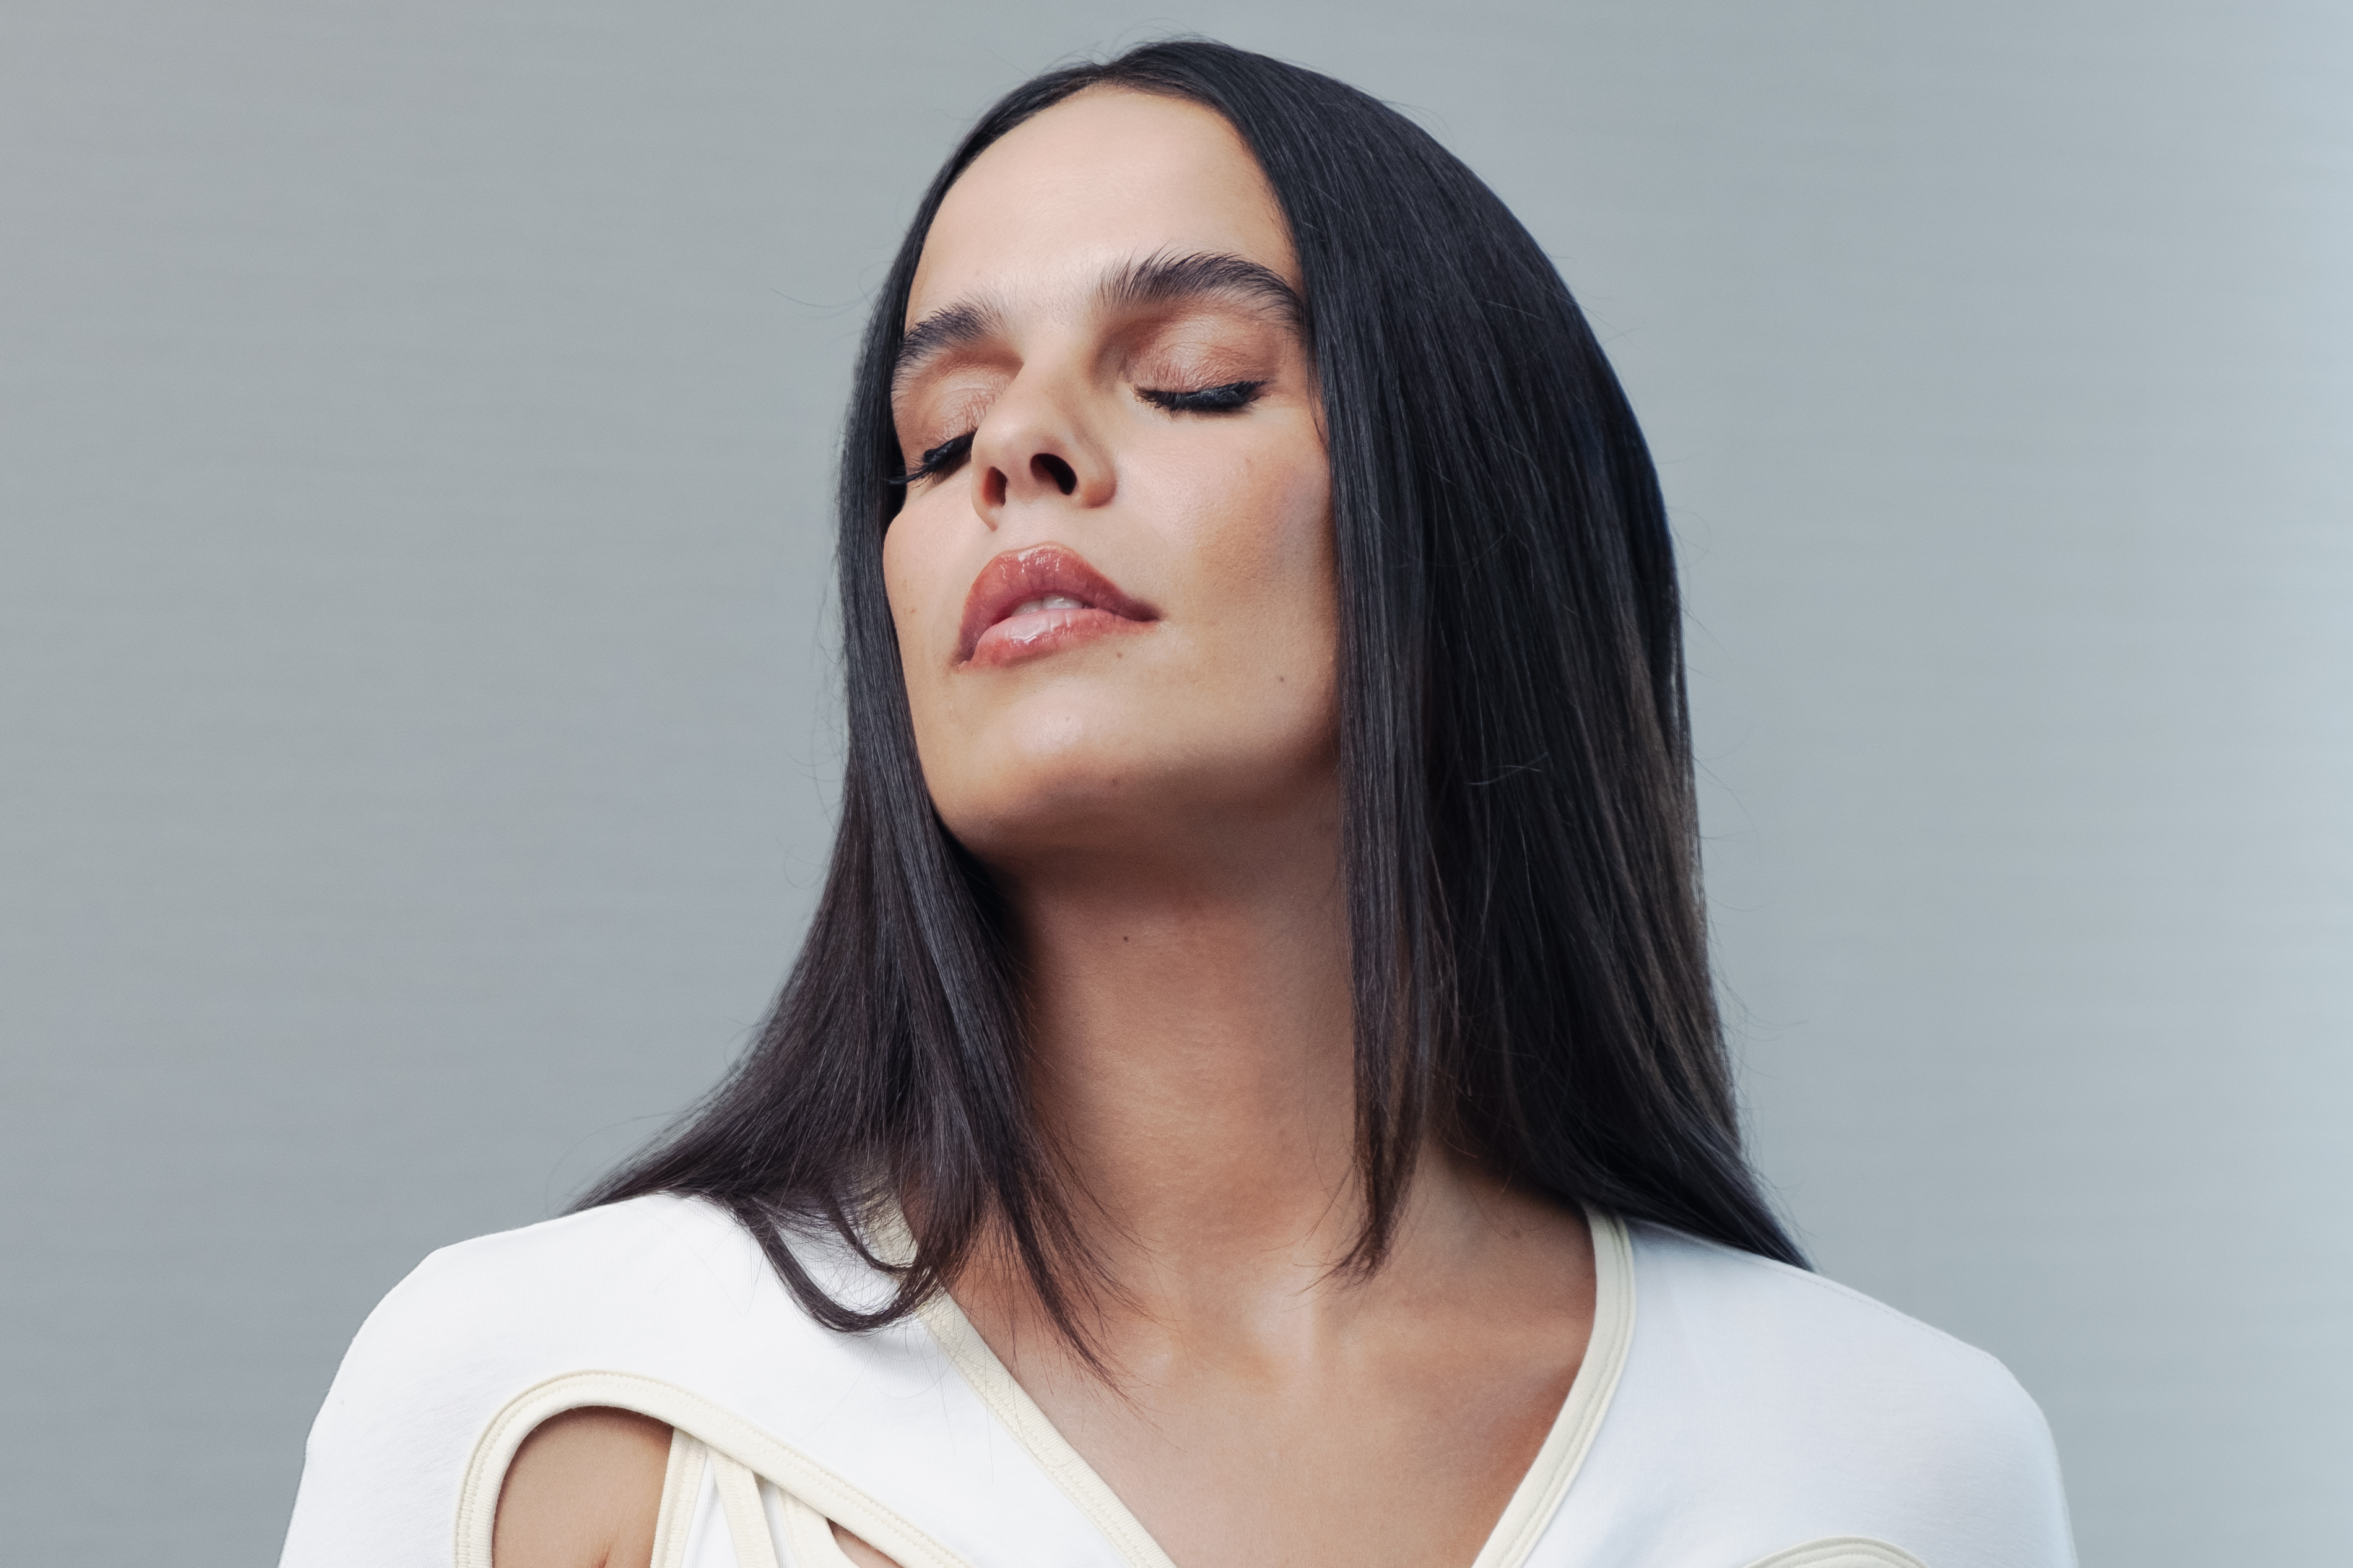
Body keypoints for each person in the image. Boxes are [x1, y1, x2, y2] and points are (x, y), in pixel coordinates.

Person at [279, 40, 2074, 1568]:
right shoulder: (548, 1404)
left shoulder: (1891, 1466)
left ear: (1468, 511)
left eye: (1193, 376)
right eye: (939, 436)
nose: (1013, 451)